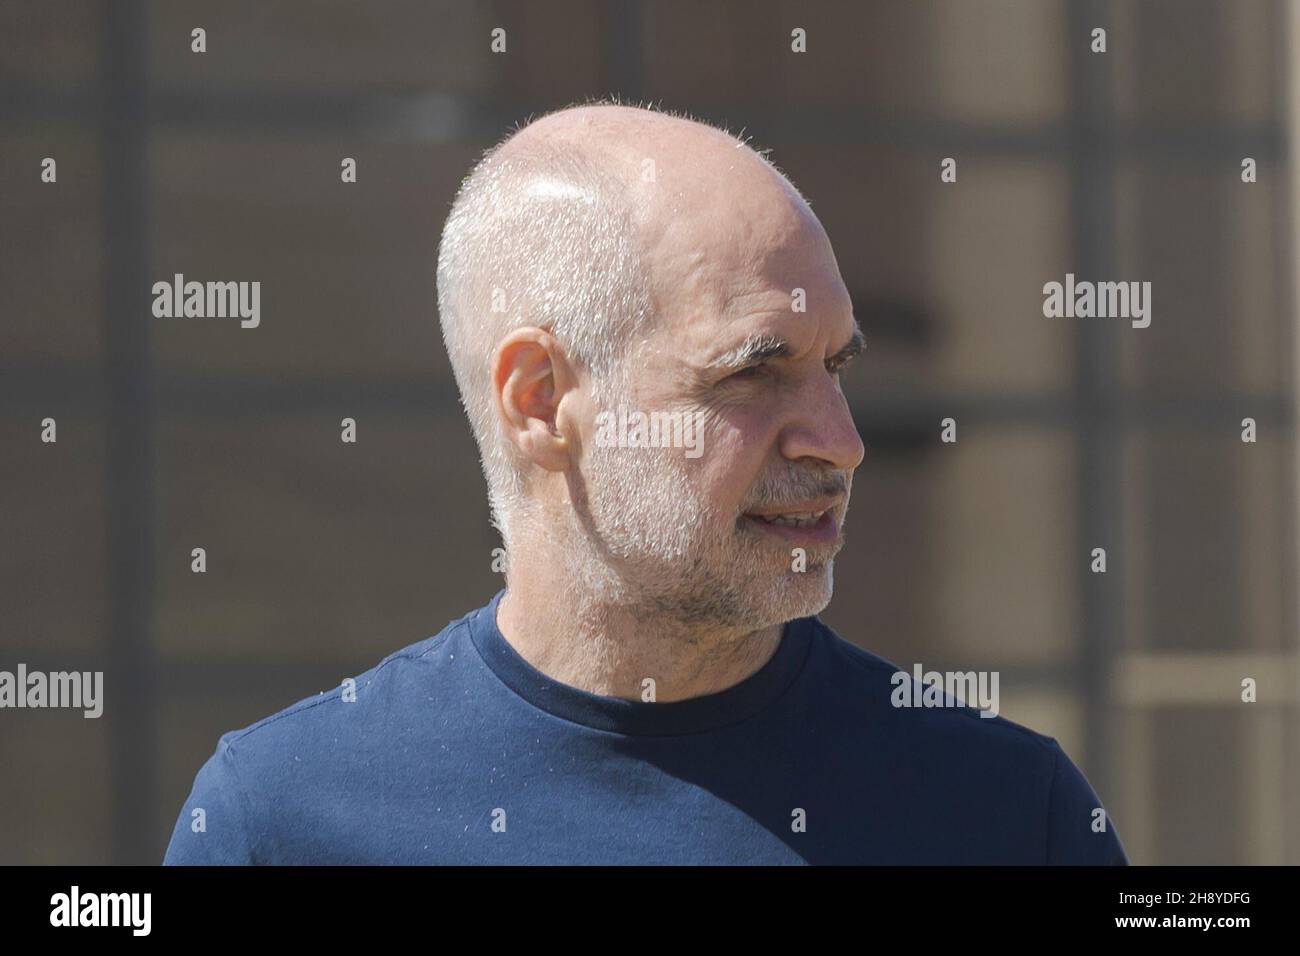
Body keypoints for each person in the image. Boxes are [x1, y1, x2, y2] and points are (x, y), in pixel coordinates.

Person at [164, 102, 1128, 865]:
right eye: (752, 371)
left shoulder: (1003, 814)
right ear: (540, 401)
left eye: (837, 366)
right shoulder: (281, 822)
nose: (841, 441)